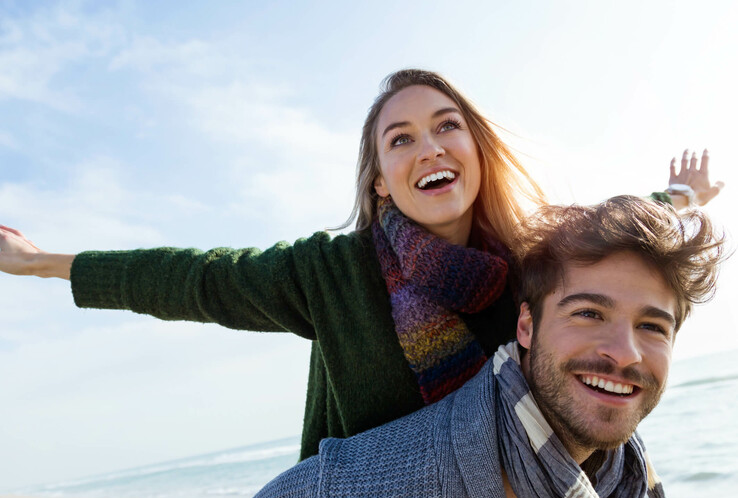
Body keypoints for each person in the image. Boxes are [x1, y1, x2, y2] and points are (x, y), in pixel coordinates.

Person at [0, 69, 723, 461]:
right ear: (380, 178)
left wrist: (684, 196)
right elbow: (198, 276)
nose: (430, 149)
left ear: (476, 150)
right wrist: (40, 264)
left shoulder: (539, 254)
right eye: (400, 139)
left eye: (447, 126)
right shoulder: (331, 272)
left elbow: (612, 230)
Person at [254, 195, 726, 498]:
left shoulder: (628, 479)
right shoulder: (374, 483)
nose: (625, 353)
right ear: (526, 325)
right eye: (588, 314)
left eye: (652, 327)